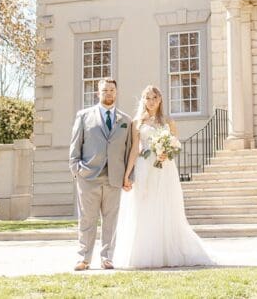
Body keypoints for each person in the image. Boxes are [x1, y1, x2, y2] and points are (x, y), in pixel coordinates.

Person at [112, 85, 213, 269]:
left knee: (165, 206)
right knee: (144, 205)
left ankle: (167, 252)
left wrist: (167, 151)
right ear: (143, 100)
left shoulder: (168, 121)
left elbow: (176, 145)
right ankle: (145, 253)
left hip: (164, 168)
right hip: (144, 166)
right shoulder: (137, 122)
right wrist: (127, 174)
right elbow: (135, 148)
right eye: (147, 98)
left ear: (160, 100)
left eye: (154, 98)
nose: (150, 102)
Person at [68, 77, 134, 271]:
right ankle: (84, 258)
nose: (109, 94)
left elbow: (130, 150)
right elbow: (75, 146)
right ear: (98, 93)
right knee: (87, 220)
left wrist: (129, 177)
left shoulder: (126, 120)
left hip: (114, 178)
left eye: (112, 90)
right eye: (105, 90)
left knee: (111, 221)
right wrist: (77, 171)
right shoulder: (84, 116)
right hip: (88, 177)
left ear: (116, 92)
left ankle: (107, 258)